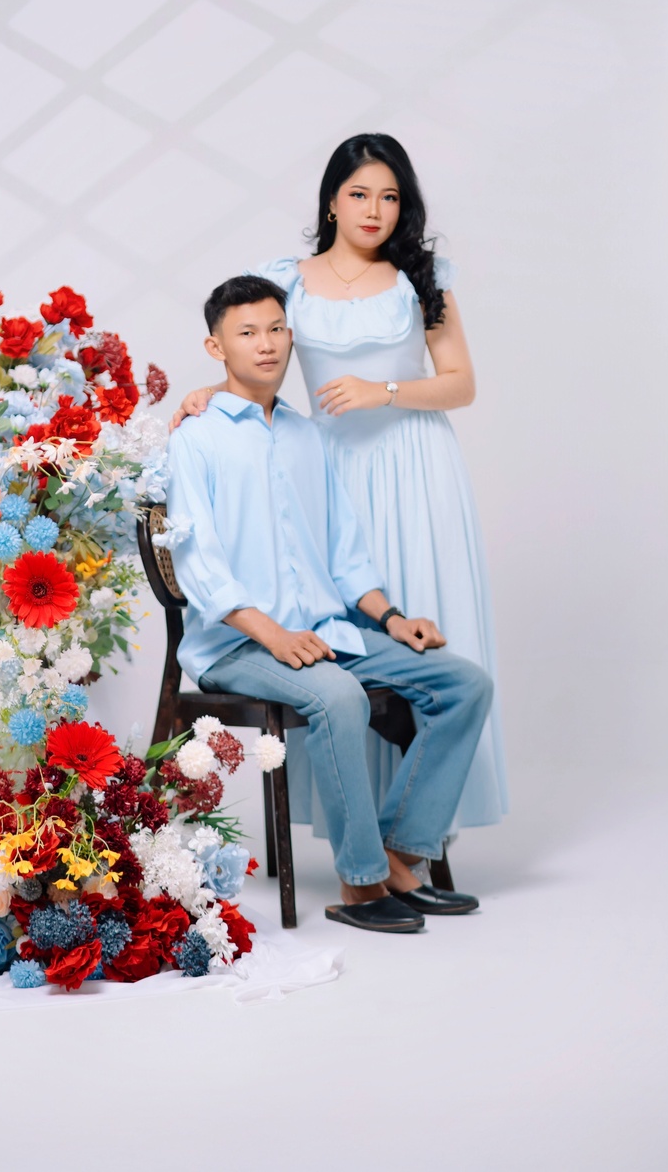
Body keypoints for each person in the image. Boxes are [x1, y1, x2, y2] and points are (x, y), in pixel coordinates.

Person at [173, 133, 507, 833]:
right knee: (328, 643)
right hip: (323, 464)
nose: (374, 210)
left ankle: (418, 837)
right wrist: (209, 393)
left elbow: (462, 384)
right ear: (331, 201)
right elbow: (251, 344)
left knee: (412, 641)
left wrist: (384, 390)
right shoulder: (287, 281)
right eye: (359, 194)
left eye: (390, 197)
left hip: (413, 465)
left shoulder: (421, 277)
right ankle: (360, 837)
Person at [167, 275, 492, 932]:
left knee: (464, 684)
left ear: (292, 336)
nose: (266, 345)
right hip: (237, 643)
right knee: (339, 695)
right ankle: (362, 886)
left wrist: (394, 620)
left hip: (322, 629)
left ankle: (399, 854)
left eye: (275, 329)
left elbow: (345, 554)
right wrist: (274, 634)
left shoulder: (306, 435)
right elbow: (197, 561)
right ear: (216, 347)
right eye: (247, 333)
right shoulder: (195, 437)